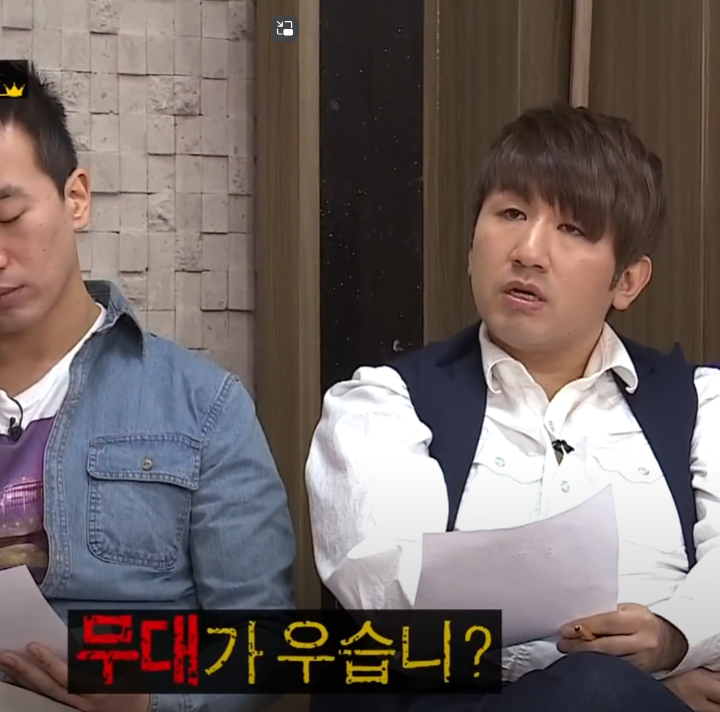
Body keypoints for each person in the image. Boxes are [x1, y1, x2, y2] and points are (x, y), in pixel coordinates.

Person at [305, 103, 720, 711]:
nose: (528, 251)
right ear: (472, 243)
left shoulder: (700, 405)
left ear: (627, 281)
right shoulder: (383, 405)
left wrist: (672, 639)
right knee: (594, 689)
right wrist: (652, 693)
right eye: (511, 214)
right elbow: (394, 600)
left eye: (572, 229)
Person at [0, 62, 295, 711]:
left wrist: (150, 702)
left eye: (8, 215)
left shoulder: (202, 407)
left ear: (76, 198)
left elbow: (265, 646)